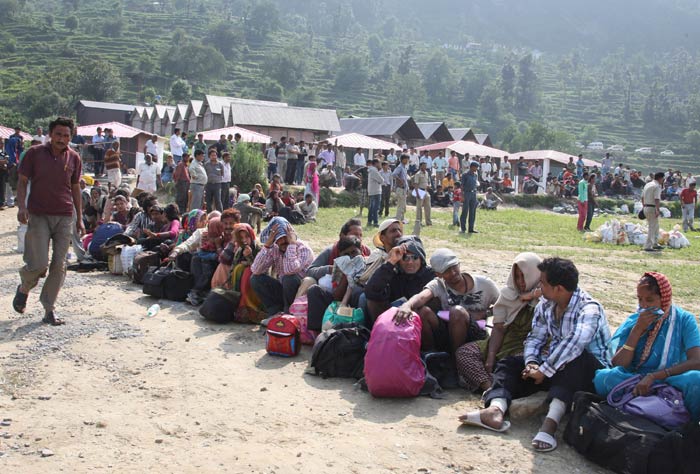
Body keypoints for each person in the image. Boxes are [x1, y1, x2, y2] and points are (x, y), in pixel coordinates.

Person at [460, 257, 612, 453]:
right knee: (511, 363)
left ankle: (551, 423)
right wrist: (531, 363)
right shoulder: (547, 304)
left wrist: (544, 369)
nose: (539, 286)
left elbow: (574, 343)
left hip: (587, 373)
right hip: (555, 364)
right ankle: (496, 409)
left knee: (576, 359)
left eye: (544, 283)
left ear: (558, 288)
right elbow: (535, 337)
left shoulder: (589, 308)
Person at [593, 272, 700, 422]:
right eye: (640, 299)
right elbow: (617, 363)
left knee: (696, 380)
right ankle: (654, 404)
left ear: (664, 298)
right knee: (603, 378)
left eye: (649, 300)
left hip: (671, 379)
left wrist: (655, 376)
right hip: (636, 380)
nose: (643, 305)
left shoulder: (684, 320)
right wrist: (637, 330)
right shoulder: (635, 321)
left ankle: (689, 426)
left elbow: (696, 361)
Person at [12, 117, 84, 326]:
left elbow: (76, 188)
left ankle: (49, 308)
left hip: (64, 216)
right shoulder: (34, 154)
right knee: (39, 263)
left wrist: (79, 218)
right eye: (58, 134)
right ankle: (24, 287)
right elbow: (23, 181)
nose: (62, 139)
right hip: (39, 214)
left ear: (71, 137)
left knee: (60, 265)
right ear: (50, 135)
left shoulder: (74, 158)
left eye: (66, 136)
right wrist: (22, 207)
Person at [455, 253, 542, 393]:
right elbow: (498, 329)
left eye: (524, 276)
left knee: (517, 365)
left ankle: (500, 388)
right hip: (505, 343)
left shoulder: (547, 296)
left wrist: (533, 296)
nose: (520, 281)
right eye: (517, 276)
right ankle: (489, 387)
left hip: (530, 348)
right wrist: (490, 358)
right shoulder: (509, 294)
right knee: (464, 353)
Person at [250, 217, 315, 317]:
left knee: (289, 278)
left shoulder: (303, 248)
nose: (284, 241)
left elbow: (290, 270)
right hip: (284, 290)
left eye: (286, 237)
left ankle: (290, 315)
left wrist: (292, 244)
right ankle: (275, 313)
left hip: (301, 293)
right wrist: (267, 245)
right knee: (256, 279)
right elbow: (256, 269)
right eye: (279, 238)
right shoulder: (275, 248)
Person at [364, 235, 435, 326]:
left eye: (415, 257)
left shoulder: (430, 274)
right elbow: (370, 291)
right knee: (372, 300)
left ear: (421, 258)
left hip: (422, 326)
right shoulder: (392, 273)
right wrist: (390, 262)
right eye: (405, 257)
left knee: (425, 311)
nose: (410, 262)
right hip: (395, 323)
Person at [642, 172, 664, 252]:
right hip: (652, 207)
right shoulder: (657, 186)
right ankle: (648, 246)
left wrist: (643, 206)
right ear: (660, 178)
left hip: (646, 206)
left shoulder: (648, 184)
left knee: (656, 226)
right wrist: (657, 209)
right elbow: (657, 199)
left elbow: (642, 197)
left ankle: (655, 243)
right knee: (652, 227)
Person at [412, 161, 432, 235]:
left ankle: (428, 222)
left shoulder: (426, 173)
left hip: (426, 190)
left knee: (428, 207)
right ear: (421, 166)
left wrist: (429, 185)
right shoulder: (418, 174)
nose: (425, 167)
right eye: (423, 166)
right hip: (420, 190)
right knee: (419, 207)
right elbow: (416, 184)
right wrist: (417, 193)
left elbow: (428, 181)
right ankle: (419, 222)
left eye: (425, 166)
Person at [460, 161, 479, 234]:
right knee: (465, 211)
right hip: (466, 193)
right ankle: (463, 228)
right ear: (472, 167)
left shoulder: (475, 175)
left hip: (473, 193)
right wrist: (462, 195)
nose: (476, 169)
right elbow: (462, 186)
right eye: (476, 167)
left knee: (472, 212)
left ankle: (471, 228)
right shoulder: (465, 175)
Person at [392, 154, 410, 224]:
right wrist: (399, 180)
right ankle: (398, 220)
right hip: (400, 189)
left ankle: (401, 219)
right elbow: (394, 174)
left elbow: (405, 179)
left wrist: (407, 188)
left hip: (404, 189)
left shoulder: (405, 168)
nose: (407, 161)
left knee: (403, 206)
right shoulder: (399, 167)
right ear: (402, 159)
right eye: (406, 159)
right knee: (401, 206)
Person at [367, 159, 383, 228]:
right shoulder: (374, 170)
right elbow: (381, 180)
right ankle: (375, 222)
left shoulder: (371, 170)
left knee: (371, 207)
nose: (380, 165)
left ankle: (370, 221)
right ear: (376, 163)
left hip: (372, 190)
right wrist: (380, 181)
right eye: (379, 163)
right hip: (376, 191)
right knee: (375, 207)